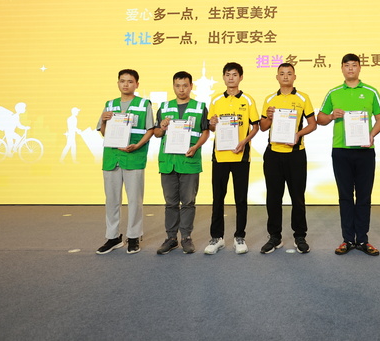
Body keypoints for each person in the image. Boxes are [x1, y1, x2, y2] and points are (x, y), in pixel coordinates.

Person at [317, 54, 380, 256]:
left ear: (359, 68)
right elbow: (320, 119)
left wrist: (371, 135)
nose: (350, 69)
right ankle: (347, 239)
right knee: (345, 196)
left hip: (365, 151)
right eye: (347, 66)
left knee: (364, 196)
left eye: (354, 65)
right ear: (342, 68)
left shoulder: (371, 91)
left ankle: (362, 240)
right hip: (341, 151)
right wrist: (331, 116)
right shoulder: (334, 92)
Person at [258, 63, 317, 254]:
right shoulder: (269, 99)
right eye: (282, 73)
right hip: (273, 154)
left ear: (294, 77)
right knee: (273, 197)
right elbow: (263, 127)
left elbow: (313, 124)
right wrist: (268, 117)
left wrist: (298, 134)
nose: (285, 76)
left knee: (297, 197)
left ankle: (300, 236)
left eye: (289, 73)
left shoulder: (303, 98)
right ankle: (274, 237)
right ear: (277, 77)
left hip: (295, 154)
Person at [96, 69, 154, 255]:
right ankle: (113, 237)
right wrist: (103, 121)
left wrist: (137, 146)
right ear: (118, 83)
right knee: (112, 200)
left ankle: (134, 236)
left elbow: (150, 130)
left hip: (134, 157)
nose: (126, 84)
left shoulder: (144, 104)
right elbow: (103, 132)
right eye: (122, 81)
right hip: (112, 158)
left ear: (137, 84)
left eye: (130, 81)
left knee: (135, 200)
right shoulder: (110, 104)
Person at [205, 62, 260, 254]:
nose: (231, 78)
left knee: (240, 198)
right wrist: (212, 123)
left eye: (234, 75)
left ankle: (239, 237)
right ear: (223, 77)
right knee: (218, 197)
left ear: (241, 77)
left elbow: (256, 126)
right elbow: (211, 126)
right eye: (228, 74)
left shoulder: (248, 100)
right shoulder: (215, 100)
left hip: (240, 155)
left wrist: (244, 142)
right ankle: (217, 238)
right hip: (220, 156)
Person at [153, 71, 210, 255]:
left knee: (188, 202)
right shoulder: (164, 107)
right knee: (170, 203)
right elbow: (156, 133)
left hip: (189, 160)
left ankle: (186, 237)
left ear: (191, 86)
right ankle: (171, 238)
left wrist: (196, 147)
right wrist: (162, 127)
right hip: (168, 162)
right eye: (178, 86)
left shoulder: (200, 107)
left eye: (185, 85)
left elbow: (206, 131)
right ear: (173, 86)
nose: (181, 89)